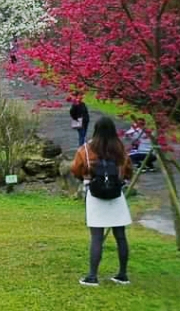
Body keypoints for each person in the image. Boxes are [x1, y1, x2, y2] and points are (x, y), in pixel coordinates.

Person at [70, 116, 133, 287]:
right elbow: (128, 171)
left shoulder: (86, 150)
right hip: (116, 195)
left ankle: (92, 276)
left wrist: (85, 176)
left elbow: (75, 169)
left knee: (96, 237)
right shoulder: (120, 149)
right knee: (120, 236)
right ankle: (122, 274)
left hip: (95, 194)